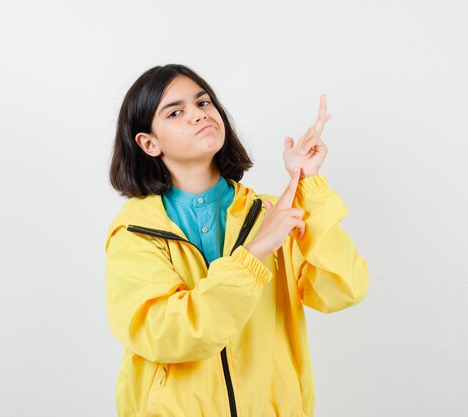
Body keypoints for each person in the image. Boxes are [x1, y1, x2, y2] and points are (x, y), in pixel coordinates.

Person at [104, 63, 369, 417]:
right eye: (175, 111)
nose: (198, 115)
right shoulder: (134, 233)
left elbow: (343, 289)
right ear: (149, 143)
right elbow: (168, 334)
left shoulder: (271, 215)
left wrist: (307, 185)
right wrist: (256, 251)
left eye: (203, 103)